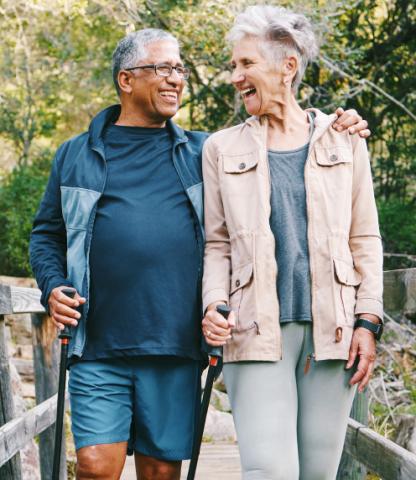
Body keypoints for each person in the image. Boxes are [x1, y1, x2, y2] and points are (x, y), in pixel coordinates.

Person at [30, 27, 370, 480]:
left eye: (179, 69)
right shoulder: (75, 155)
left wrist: (333, 123)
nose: (176, 79)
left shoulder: (205, 150)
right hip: (98, 342)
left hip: (174, 343)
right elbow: (45, 234)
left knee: (161, 472)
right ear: (126, 80)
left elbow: (275, 165)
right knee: (94, 466)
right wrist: (53, 286)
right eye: (163, 68)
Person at [201, 6, 383, 480]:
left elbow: (364, 237)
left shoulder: (345, 139)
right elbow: (216, 243)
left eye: (246, 64)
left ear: (287, 67)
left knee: (318, 473)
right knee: (270, 472)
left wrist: (370, 321)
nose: (235, 76)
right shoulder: (221, 148)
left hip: (334, 334)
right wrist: (213, 304)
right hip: (254, 329)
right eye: (233, 66)